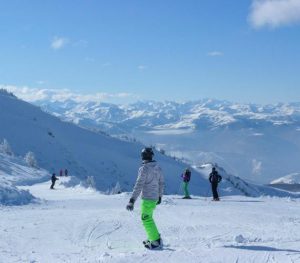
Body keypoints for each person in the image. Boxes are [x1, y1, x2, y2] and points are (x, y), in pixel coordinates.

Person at [126, 147, 164, 250]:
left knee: (145, 218)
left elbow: (139, 185)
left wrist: (132, 200)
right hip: (154, 197)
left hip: (148, 198)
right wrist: (159, 196)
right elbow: (161, 183)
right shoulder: (158, 167)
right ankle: (152, 237)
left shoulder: (144, 169)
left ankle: (155, 241)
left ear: (143, 156)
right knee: (149, 217)